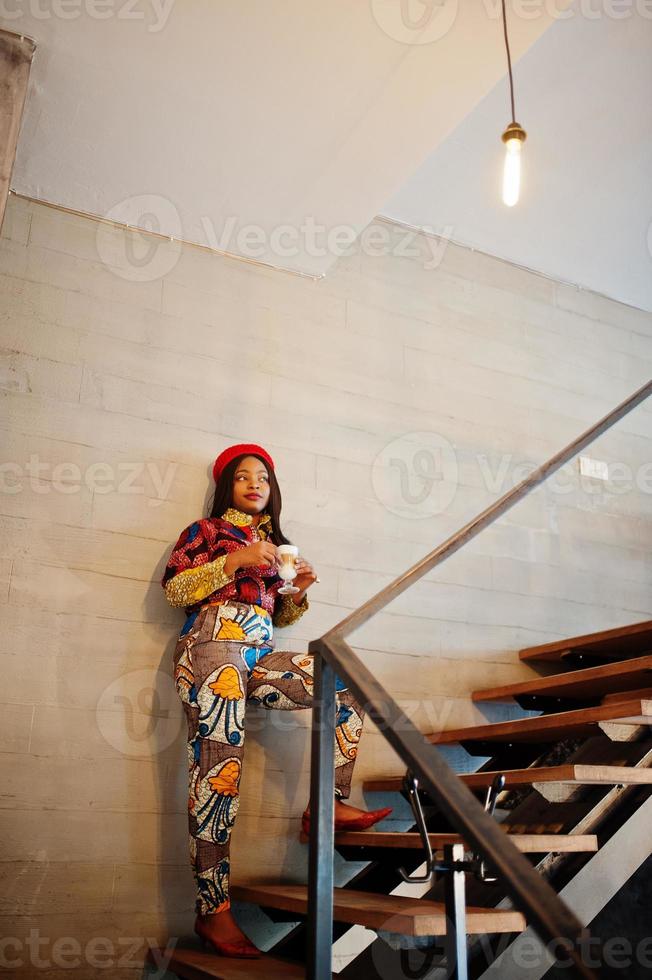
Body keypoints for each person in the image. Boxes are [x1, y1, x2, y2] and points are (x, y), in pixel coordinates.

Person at [161, 443, 392, 958]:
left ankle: (326, 805)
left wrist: (298, 592)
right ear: (226, 487)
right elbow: (175, 590)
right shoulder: (206, 533)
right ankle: (213, 912)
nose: (255, 483)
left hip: (257, 654)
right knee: (221, 775)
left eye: (263, 477)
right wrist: (235, 560)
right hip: (209, 648)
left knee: (346, 681)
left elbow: (279, 620)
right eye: (243, 476)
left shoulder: (276, 545)